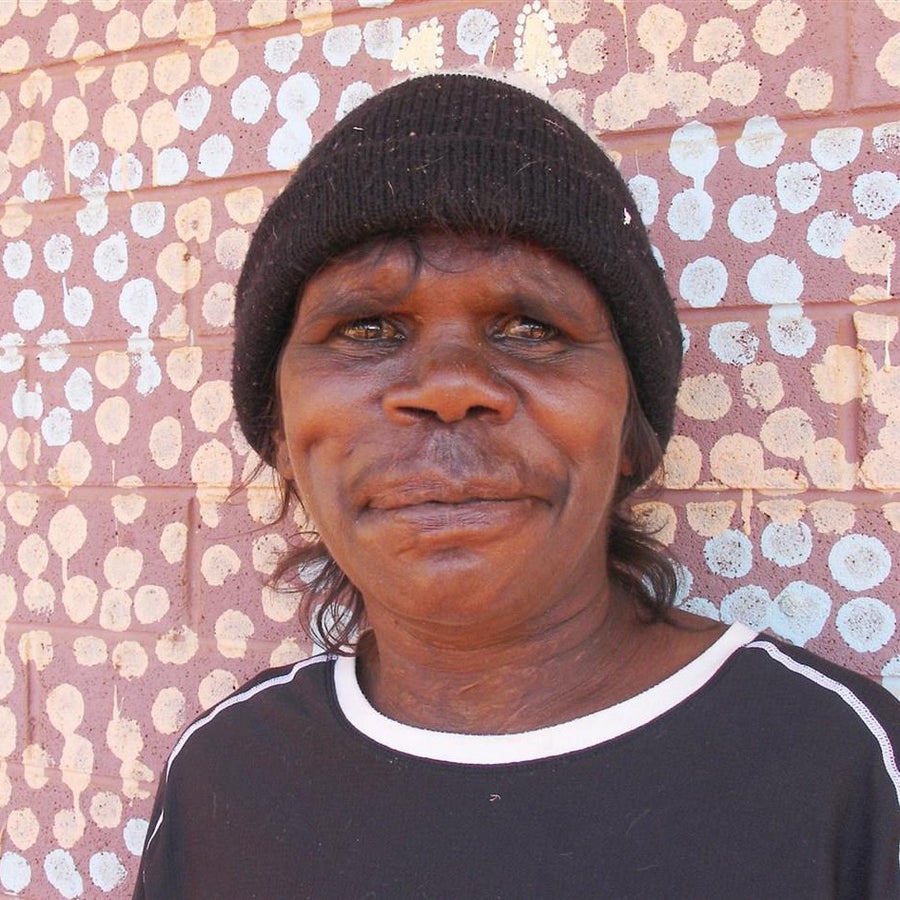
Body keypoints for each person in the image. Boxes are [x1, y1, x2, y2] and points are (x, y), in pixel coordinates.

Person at [134, 73, 900, 899]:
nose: (450, 384)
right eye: (367, 328)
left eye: (532, 327)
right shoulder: (226, 775)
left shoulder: (837, 771)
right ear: (281, 435)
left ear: (632, 432)